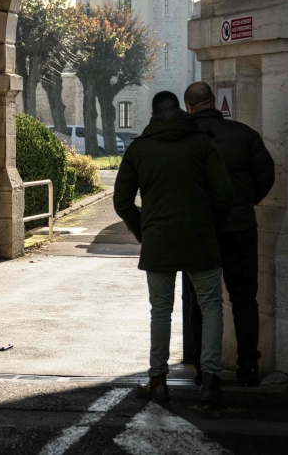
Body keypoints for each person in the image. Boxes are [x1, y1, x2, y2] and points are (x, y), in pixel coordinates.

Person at [113, 91, 234, 405]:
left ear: (152, 116)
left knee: (161, 311)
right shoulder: (202, 143)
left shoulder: (139, 149)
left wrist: (145, 231)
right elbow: (224, 193)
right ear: (181, 112)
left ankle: (158, 379)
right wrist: (211, 227)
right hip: (200, 238)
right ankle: (210, 379)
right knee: (211, 306)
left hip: (159, 240)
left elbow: (122, 201)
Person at [182, 82, 275, 387]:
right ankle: (248, 363)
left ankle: (201, 365)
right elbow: (265, 175)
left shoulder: (183, 138)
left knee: (201, 298)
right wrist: (245, 202)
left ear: (190, 107)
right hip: (240, 226)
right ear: (213, 103)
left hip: (200, 229)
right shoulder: (245, 134)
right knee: (245, 297)